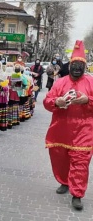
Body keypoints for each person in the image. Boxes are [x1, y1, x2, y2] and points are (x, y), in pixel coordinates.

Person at [43, 40, 93, 211]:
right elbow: (47, 101)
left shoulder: (91, 82)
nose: (77, 68)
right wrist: (56, 101)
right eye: (74, 65)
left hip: (84, 130)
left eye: (81, 65)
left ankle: (77, 194)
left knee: (80, 163)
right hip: (61, 129)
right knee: (60, 159)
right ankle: (64, 181)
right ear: (69, 66)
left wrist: (88, 100)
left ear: (84, 67)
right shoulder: (60, 82)